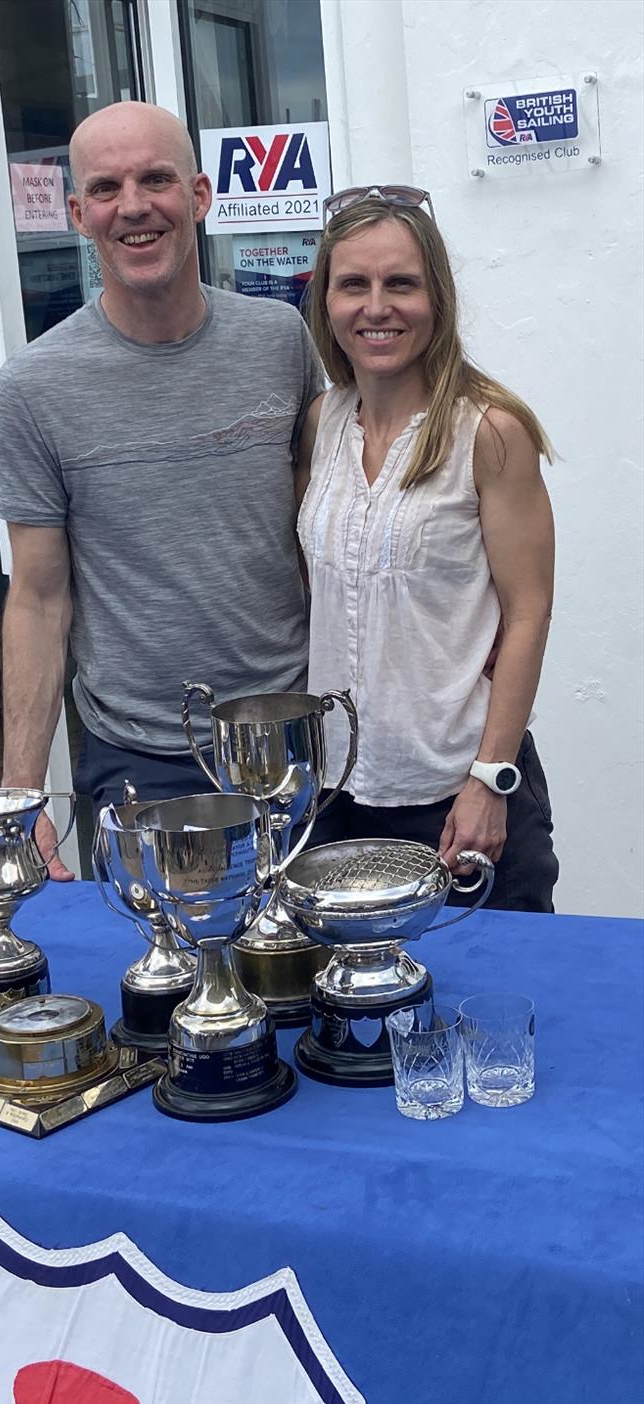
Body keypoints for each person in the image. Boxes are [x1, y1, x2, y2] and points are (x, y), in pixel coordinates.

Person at [0, 102, 324, 894]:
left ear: (202, 195)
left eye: (156, 179)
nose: (134, 206)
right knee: (171, 1002)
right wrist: (19, 802)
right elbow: (38, 600)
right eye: (106, 188)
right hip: (143, 759)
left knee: (314, 992)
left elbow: (326, 530)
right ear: (78, 213)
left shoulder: (281, 340)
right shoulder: (36, 388)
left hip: (294, 744)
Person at [296, 185, 558, 911]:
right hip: (337, 795)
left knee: (484, 1014)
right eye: (354, 284)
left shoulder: (491, 432)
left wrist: (490, 778)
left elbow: (529, 612)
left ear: (435, 298)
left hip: (456, 800)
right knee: (360, 1016)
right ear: (326, 302)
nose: (377, 307)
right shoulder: (324, 423)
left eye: (401, 284)